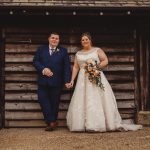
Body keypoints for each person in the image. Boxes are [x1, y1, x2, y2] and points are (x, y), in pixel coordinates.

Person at [66, 32, 142, 132]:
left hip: (96, 75)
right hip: (82, 79)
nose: (85, 41)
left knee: (97, 98)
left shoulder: (97, 50)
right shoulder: (78, 53)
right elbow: (76, 67)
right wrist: (72, 80)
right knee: (82, 99)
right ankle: (83, 124)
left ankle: (98, 124)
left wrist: (95, 67)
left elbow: (105, 60)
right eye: (83, 40)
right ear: (81, 42)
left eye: (86, 39)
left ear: (90, 40)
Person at [33, 32, 71, 131]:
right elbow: (35, 61)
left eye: (57, 39)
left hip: (56, 82)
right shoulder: (41, 49)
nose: (54, 40)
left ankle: (51, 123)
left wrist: (67, 80)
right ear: (49, 39)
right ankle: (52, 120)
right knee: (42, 100)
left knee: (54, 103)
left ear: (59, 40)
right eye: (53, 38)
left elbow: (66, 67)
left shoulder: (63, 51)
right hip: (43, 81)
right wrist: (43, 69)